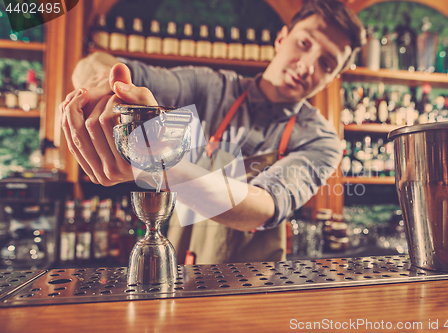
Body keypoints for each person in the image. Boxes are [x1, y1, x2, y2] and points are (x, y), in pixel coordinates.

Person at [60, 0, 366, 264]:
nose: (307, 66)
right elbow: (99, 65)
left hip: (255, 291)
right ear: (281, 38)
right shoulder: (209, 88)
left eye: (326, 63)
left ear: (333, 77)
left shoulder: (322, 141)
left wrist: (161, 165)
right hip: (178, 273)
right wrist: (107, 89)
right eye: (304, 43)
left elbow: (264, 207)